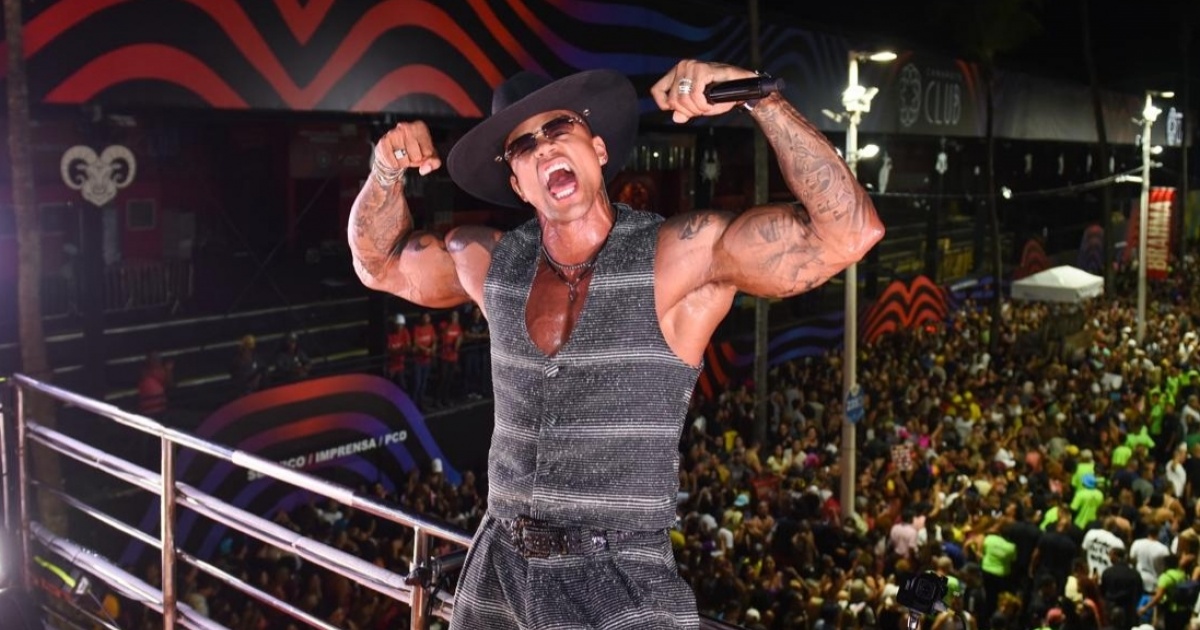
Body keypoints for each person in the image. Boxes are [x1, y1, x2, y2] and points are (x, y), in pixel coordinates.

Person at [347, 60, 883, 629]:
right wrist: (385, 170)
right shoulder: (491, 263)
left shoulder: (678, 256)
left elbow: (849, 232)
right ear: (518, 184)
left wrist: (758, 98)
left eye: (560, 128)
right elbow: (378, 264)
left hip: (619, 584)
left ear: (598, 149)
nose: (544, 147)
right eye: (524, 146)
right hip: (495, 579)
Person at [386, 314, 412, 391]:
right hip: (391, 366)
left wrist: (400, 350)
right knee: (390, 387)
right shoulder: (389, 335)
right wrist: (401, 350)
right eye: (398, 325)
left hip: (400, 365)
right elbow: (389, 350)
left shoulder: (405, 332)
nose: (400, 328)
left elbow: (408, 346)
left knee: (402, 386)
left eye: (401, 326)